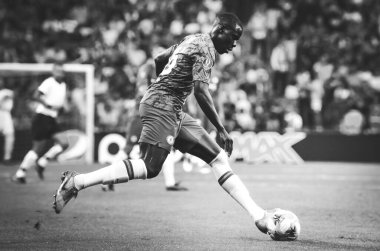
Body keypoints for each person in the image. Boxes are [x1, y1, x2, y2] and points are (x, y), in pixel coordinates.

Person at [53, 13, 296, 238]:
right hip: (161, 107)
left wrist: (162, 84)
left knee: (219, 158)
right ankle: (77, 182)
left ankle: (260, 217)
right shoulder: (207, 49)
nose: (234, 45)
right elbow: (201, 92)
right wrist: (221, 128)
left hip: (171, 107)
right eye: (233, 38)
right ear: (219, 30)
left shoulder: (192, 39)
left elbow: (159, 58)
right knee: (150, 167)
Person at [124, 57, 188, 191]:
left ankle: (170, 183)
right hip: (139, 114)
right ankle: (106, 182)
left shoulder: (162, 72)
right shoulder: (146, 68)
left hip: (156, 115)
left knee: (166, 146)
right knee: (128, 148)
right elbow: (142, 92)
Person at [12, 62, 67, 183]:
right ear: (53, 71)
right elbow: (36, 95)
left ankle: (42, 162)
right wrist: (46, 104)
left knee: (64, 143)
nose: (60, 73)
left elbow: (58, 102)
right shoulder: (49, 82)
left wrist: (61, 108)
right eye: (58, 71)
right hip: (42, 117)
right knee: (37, 148)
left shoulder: (63, 84)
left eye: (62, 71)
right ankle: (20, 173)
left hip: (52, 118)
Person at [0, 88, 15, 163]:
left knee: (10, 136)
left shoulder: (7, 91)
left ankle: (7, 158)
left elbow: (12, 94)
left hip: (6, 114)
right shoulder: (3, 93)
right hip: (1, 112)